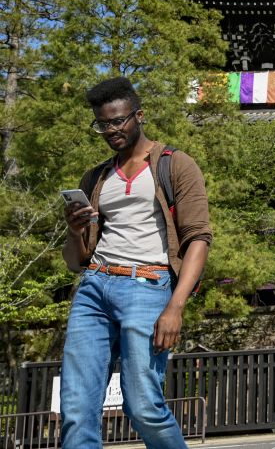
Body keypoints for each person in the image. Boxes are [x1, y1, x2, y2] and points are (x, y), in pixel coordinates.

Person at [60, 77, 212, 449]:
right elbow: (74, 261)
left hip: (147, 286)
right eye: (102, 123)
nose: (111, 130)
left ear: (139, 115)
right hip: (94, 288)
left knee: (143, 405)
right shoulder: (96, 177)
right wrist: (75, 231)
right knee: (77, 410)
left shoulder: (174, 165)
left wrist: (176, 306)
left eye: (118, 121)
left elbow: (199, 239)